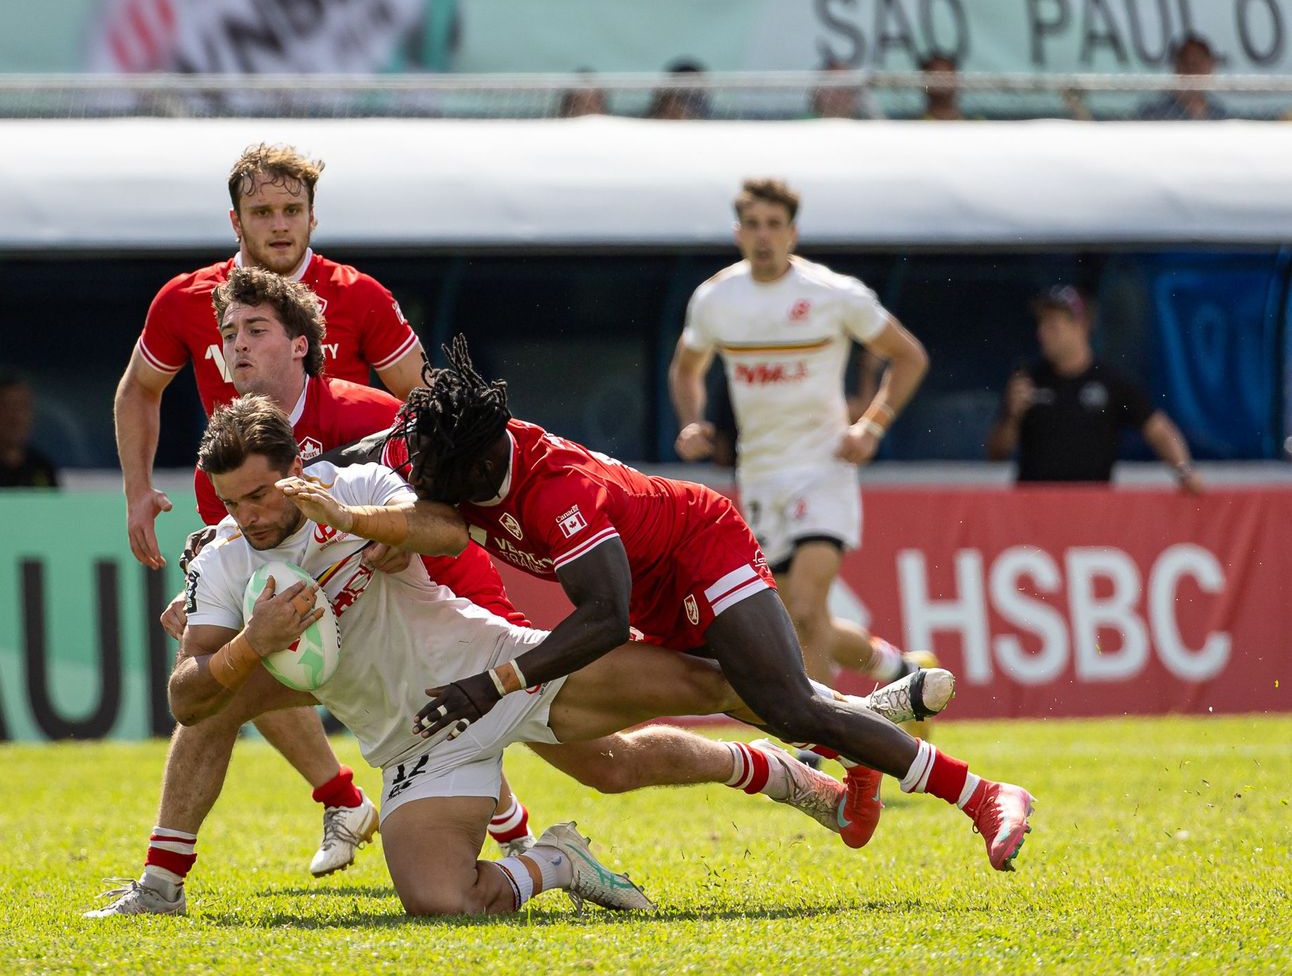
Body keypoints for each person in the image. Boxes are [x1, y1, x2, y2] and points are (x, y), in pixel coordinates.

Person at [92, 268, 941, 916]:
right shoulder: (230, 489)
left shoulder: (359, 421)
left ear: (300, 344)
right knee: (225, 695)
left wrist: (369, 535)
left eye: (254, 331)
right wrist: (234, 624)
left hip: (469, 621)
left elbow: (443, 514)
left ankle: (836, 726)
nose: (235, 347)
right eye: (227, 335)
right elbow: (200, 677)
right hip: (393, 696)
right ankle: (261, 844)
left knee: (623, 751)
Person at [378, 339, 1037, 874]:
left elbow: (604, 618)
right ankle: (860, 731)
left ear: (483, 460)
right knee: (750, 695)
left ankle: (984, 796)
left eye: (436, 475)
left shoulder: (556, 494)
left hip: (699, 546)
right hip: (654, 583)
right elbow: (401, 480)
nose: (423, 480)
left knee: (784, 705)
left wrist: (492, 685)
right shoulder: (446, 449)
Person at [111, 143, 426, 880]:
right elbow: (138, 390)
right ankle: (182, 868)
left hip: (352, 527)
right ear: (236, 220)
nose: (280, 226)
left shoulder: (362, 297)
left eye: (292, 211)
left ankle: (502, 831)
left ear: (314, 216)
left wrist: (409, 522)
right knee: (233, 669)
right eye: (263, 212)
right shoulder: (187, 298)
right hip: (243, 527)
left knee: (426, 674)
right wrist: (136, 488)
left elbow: (424, 406)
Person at [668, 179, 937, 699]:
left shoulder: (833, 295)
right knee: (794, 620)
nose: (763, 236)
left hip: (823, 467)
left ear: (792, 233)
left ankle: (825, 751)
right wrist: (692, 422)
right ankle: (897, 667)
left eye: (773, 225)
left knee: (808, 609)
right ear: (737, 233)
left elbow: (910, 356)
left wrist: (871, 427)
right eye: (752, 225)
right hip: (761, 474)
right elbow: (686, 369)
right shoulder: (715, 299)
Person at [986, 285, 1204, 491]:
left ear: (1080, 325)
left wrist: (1184, 471)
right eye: (1040, 324)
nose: (1042, 333)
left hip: (1091, 512)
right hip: (1034, 513)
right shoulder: (1028, 380)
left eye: (1052, 324)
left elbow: (1159, 430)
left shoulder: (1112, 383)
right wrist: (1012, 418)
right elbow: (995, 453)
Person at [1136, 35, 1227, 121]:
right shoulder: (1154, 113)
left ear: (1210, 66)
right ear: (1177, 68)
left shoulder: (1221, 115)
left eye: (1198, 64)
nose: (1192, 71)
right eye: (1186, 64)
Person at [645, 59, 710, 119]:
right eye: (683, 94)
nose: (688, 102)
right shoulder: (644, 124)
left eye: (695, 94)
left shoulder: (716, 122)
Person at [917, 52, 967, 121]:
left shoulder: (980, 126)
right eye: (935, 78)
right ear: (924, 86)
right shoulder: (911, 128)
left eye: (947, 77)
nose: (942, 83)